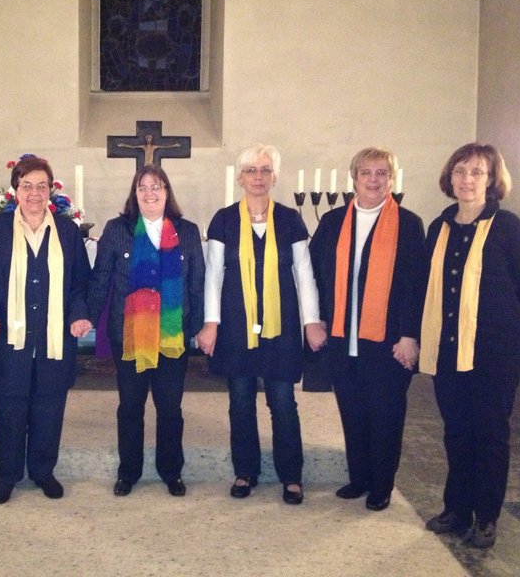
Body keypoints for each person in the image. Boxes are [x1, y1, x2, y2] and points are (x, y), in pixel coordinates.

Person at [420, 143, 520, 548]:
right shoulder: (439, 227)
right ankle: (457, 508)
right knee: (456, 430)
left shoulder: (509, 228)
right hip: (448, 348)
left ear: (491, 180)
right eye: (460, 171)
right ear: (450, 178)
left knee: (489, 434)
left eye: (476, 172)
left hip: (495, 353)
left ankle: (486, 516)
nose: (467, 179)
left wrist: (507, 325)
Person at [197, 144, 325, 504]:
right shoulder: (224, 219)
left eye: (265, 170)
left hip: (281, 325)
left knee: (282, 401)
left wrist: (312, 322)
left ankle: (292, 475)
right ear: (240, 177)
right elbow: (213, 276)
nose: (258, 176)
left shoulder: (290, 219)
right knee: (240, 401)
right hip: (236, 323)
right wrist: (211, 323)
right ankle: (245, 471)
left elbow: (304, 275)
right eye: (251, 170)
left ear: (274, 177)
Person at [309, 147, 427, 512]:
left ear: (391, 179)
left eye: (381, 173)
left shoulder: (408, 223)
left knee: (386, 415)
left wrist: (409, 335)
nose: (373, 180)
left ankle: (381, 485)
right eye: (366, 172)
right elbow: (314, 274)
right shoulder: (332, 222)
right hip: (342, 339)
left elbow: (416, 285)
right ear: (354, 178)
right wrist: (317, 319)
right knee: (352, 412)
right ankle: (358, 478)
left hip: (388, 342)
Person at [0, 156, 92, 504]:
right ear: (15, 190)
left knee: (49, 409)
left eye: (42, 186)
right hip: (8, 338)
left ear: (51, 191)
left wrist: (79, 314)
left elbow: (80, 283)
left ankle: (43, 471)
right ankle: (8, 474)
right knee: (8, 409)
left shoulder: (68, 232)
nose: (35, 193)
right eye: (27, 186)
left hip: (54, 338)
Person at [88, 164, 204, 497]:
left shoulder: (188, 231)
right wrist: (87, 318)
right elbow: (101, 277)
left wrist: (199, 327)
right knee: (130, 406)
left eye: (156, 187)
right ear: (134, 193)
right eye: (143, 187)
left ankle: (171, 471)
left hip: (171, 334)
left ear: (167, 192)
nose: (150, 193)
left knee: (170, 408)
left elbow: (197, 282)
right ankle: (129, 472)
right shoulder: (117, 229)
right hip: (130, 333)